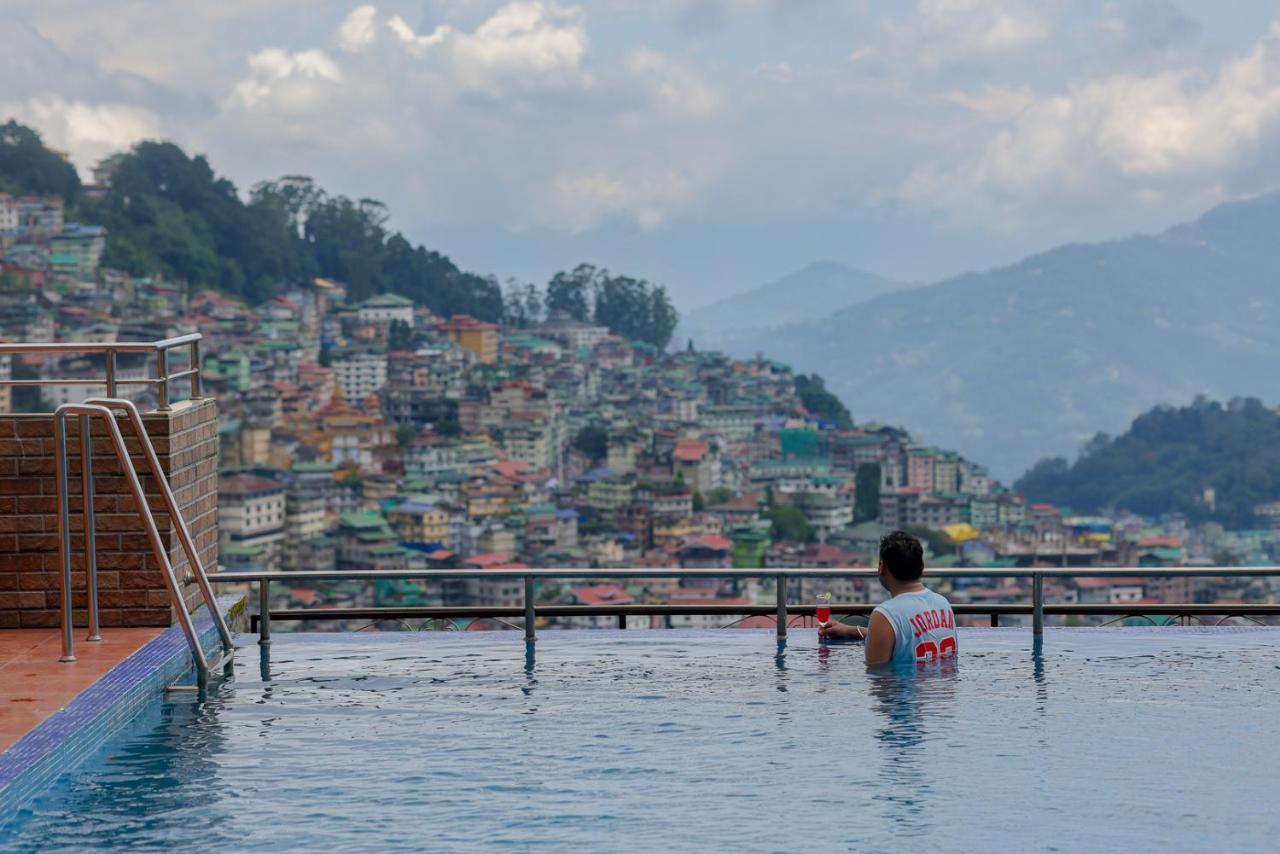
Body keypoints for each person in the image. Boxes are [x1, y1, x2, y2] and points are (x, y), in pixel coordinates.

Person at [820, 530, 957, 666]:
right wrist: (852, 631)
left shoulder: (886, 615)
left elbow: (878, 678)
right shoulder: (943, 604)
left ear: (882, 568)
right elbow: (908, 638)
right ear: (922, 566)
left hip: (904, 687)